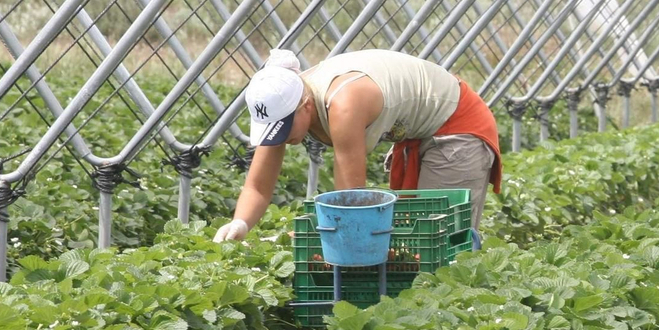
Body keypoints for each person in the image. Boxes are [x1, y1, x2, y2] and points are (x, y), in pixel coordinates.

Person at [213, 48, 503, 242]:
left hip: (457, 126)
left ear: (304, 105)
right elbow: (257, 187)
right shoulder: (283, 103)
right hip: (416, 132)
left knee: (438, 237)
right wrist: (240, 224)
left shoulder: (344, 104)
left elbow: (351, 203)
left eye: (284, 128)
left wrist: (296, 237)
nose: (281, 137)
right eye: (272, 131)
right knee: (412, 236)